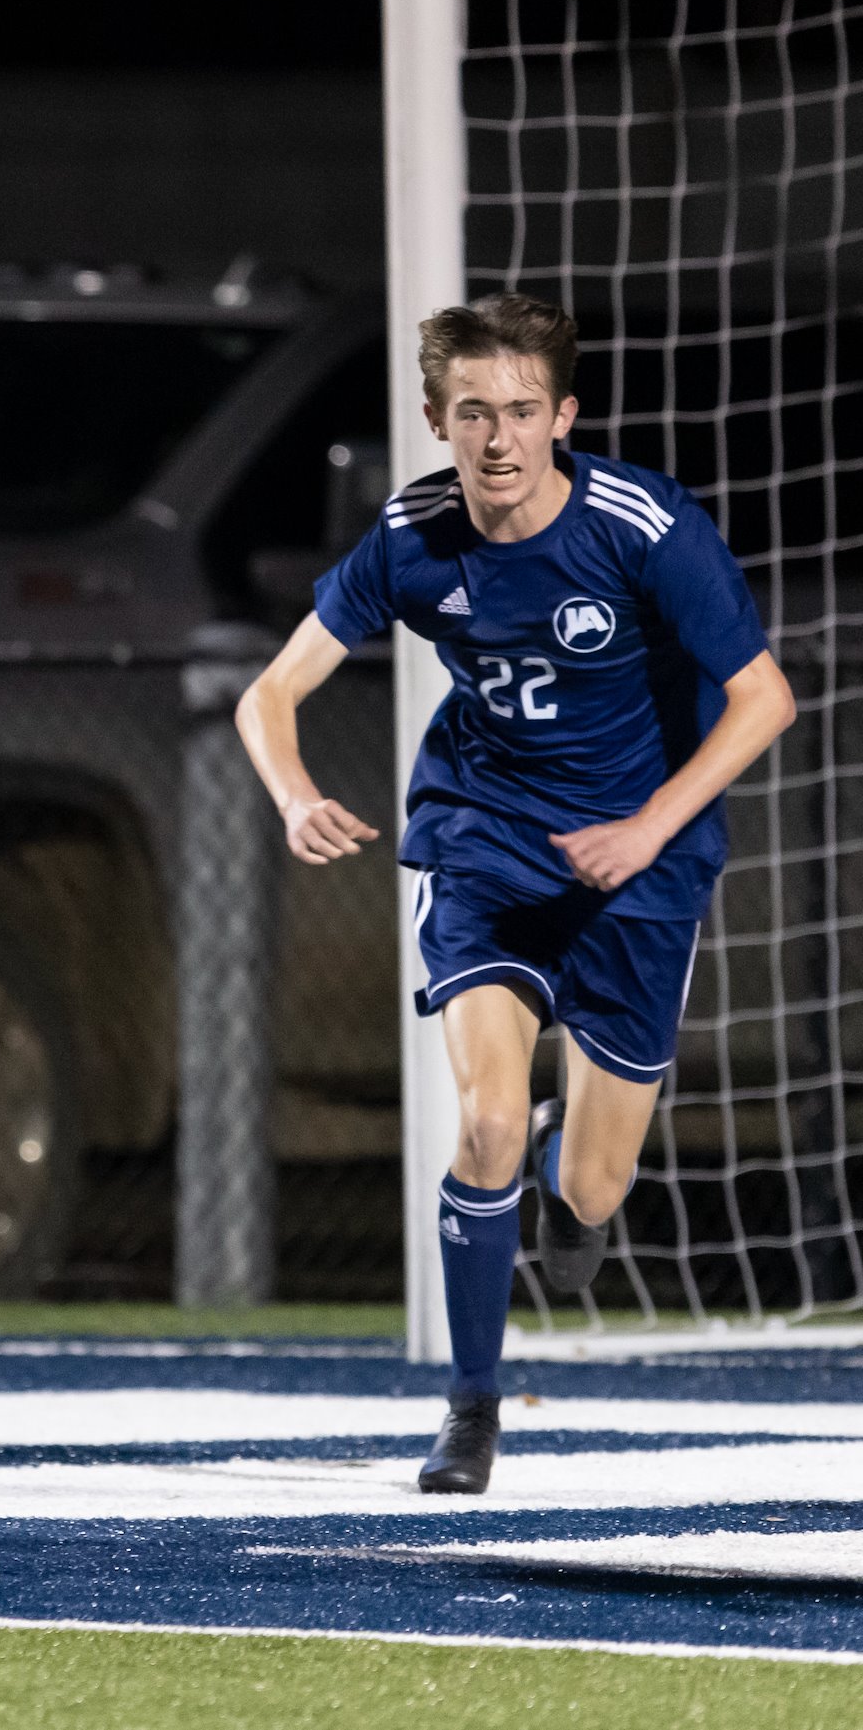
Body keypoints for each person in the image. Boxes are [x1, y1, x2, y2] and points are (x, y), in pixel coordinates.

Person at [235, 293, 794, 1494]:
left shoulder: (641, 528)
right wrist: (292, 796)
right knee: (485, 1118)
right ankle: (472, 1407)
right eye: (474, 411)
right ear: (436, 418)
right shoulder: (411, 537)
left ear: (565, 418)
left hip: (641, 872)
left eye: (524, 412)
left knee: (593, 1191)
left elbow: (765, 700)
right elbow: (267, 695)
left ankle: (564, 1179)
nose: (499, 439)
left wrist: (647, 830)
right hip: (486, 848)